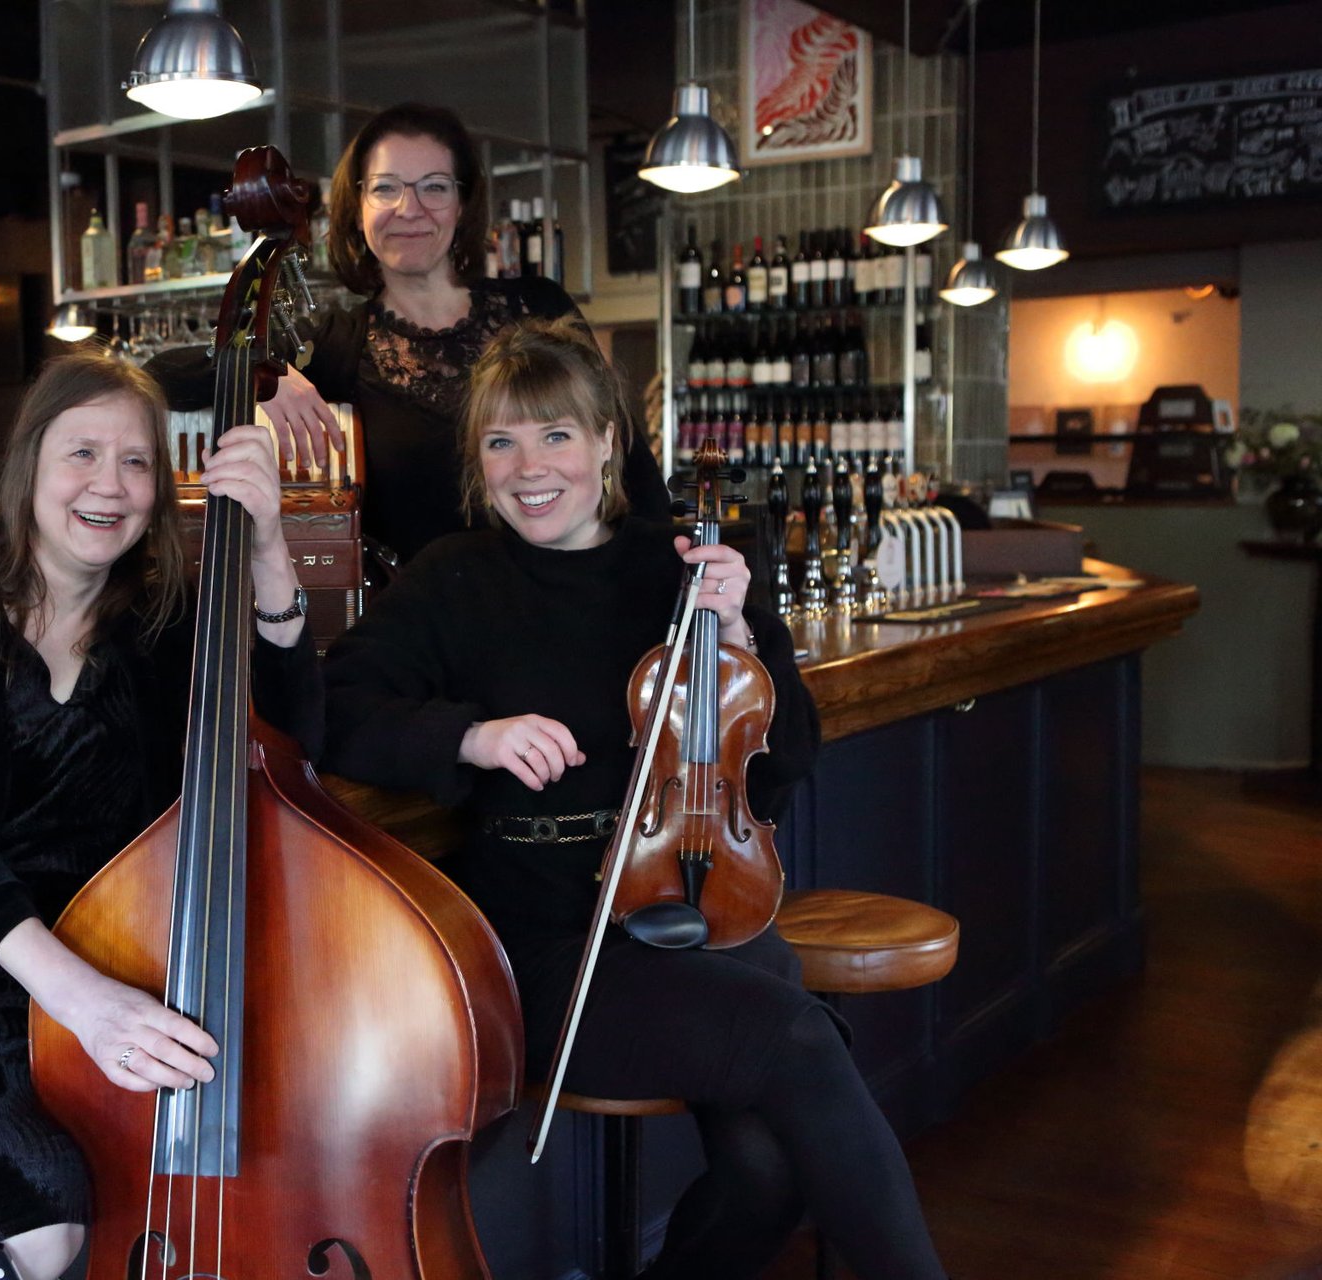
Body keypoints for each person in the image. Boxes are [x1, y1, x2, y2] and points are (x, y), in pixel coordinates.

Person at [319, 320, 947, 1280]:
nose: (531, 466)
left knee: (769, 1172)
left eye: (557, 435)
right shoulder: (452, 579)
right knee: (797, 1039)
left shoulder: (685, 570)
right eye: (502, 441)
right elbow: (338, 712)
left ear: (609, 443)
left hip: (701, 909)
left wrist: (741, 634)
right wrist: (471, 736)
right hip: (546, 942)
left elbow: (786, 762)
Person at [0, 351, 320, 1279]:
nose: (109, 485)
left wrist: (267, 554)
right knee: (47, 1219)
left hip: (111, 962)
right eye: (82, 454)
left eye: (136, 461)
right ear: (30, 465)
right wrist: (84, 1004)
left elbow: (287, 753)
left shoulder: (168, 619)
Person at [150, 101, 671, 565]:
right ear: (357, 209)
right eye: (387, 188)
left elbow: (630, 464)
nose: (410, 209)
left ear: (463, 205)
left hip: (562, 601)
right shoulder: (336, 344)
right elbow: (160, 375)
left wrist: (665, 582)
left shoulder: (538, 305)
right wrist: (263, 374)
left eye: (435, 188)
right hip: (422, 636)